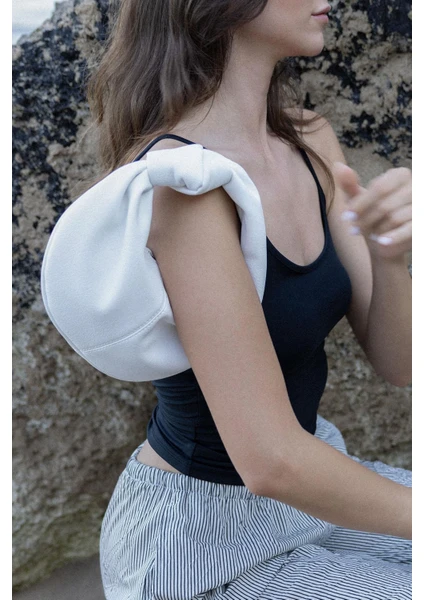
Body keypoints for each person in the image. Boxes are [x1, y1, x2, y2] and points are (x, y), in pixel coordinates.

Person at [87, 1, 412, 598]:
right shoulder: (182, 186)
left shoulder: (310, 140)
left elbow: (400, 363)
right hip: (199, 544)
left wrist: (391, 255)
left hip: (311, 493)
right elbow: (270, 462)